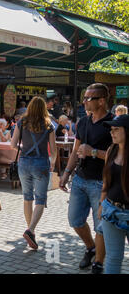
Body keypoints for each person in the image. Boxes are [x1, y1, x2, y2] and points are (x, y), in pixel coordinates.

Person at [59, 83, 113, 274]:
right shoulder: (82, 122)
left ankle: (98, 262)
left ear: (101, 101)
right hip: (80, 180)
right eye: (84, 98)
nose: (84, 102)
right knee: (75, 220)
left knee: (101, 226)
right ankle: (91, 248)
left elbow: (120, 155)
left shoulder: (113, 123)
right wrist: (66, 173)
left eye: (88, 98)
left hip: (102, 182)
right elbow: (76, 150)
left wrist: (94, 152)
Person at [10, 96, 57, 250]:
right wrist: (53, 163)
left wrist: (22, 150)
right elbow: (53, 149)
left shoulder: (21, 122)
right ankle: (30, 230)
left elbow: (12, 144)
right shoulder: (48, 125)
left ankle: (31, 231)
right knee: (41, 199)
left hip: (23, 163)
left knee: (27, 197)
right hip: (41, 163)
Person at [98, 114, 129, 274]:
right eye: (111, 129)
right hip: (111, 211)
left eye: (116, 129)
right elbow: (106, 182)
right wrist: (101, 205)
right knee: (113, 258)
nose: (112, 132)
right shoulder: (111, 150)